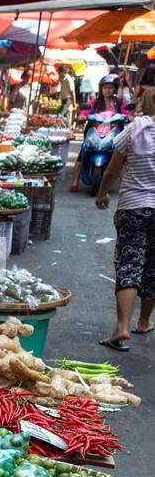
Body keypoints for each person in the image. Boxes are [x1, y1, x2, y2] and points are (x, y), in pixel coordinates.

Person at [96, 90, 155, 350]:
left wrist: (102, 193)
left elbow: (112, 168)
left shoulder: (133, 130)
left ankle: (121, 328)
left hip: (132, 207)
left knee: (130, 262)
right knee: (152, 267)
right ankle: (143, 322)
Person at [70, 73, 127, 193]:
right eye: (105, 87)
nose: (107, 90)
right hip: (95, 132)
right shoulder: (95, 102)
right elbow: (85, 112)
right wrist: (81, 117)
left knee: (120, 157)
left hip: (113, 133)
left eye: (110, 87)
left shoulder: (120, 102)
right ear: (101, 88)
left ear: (115, 89)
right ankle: (75, 182)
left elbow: (126, 113)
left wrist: (130, 117)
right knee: (82, 154)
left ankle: (125, 186)